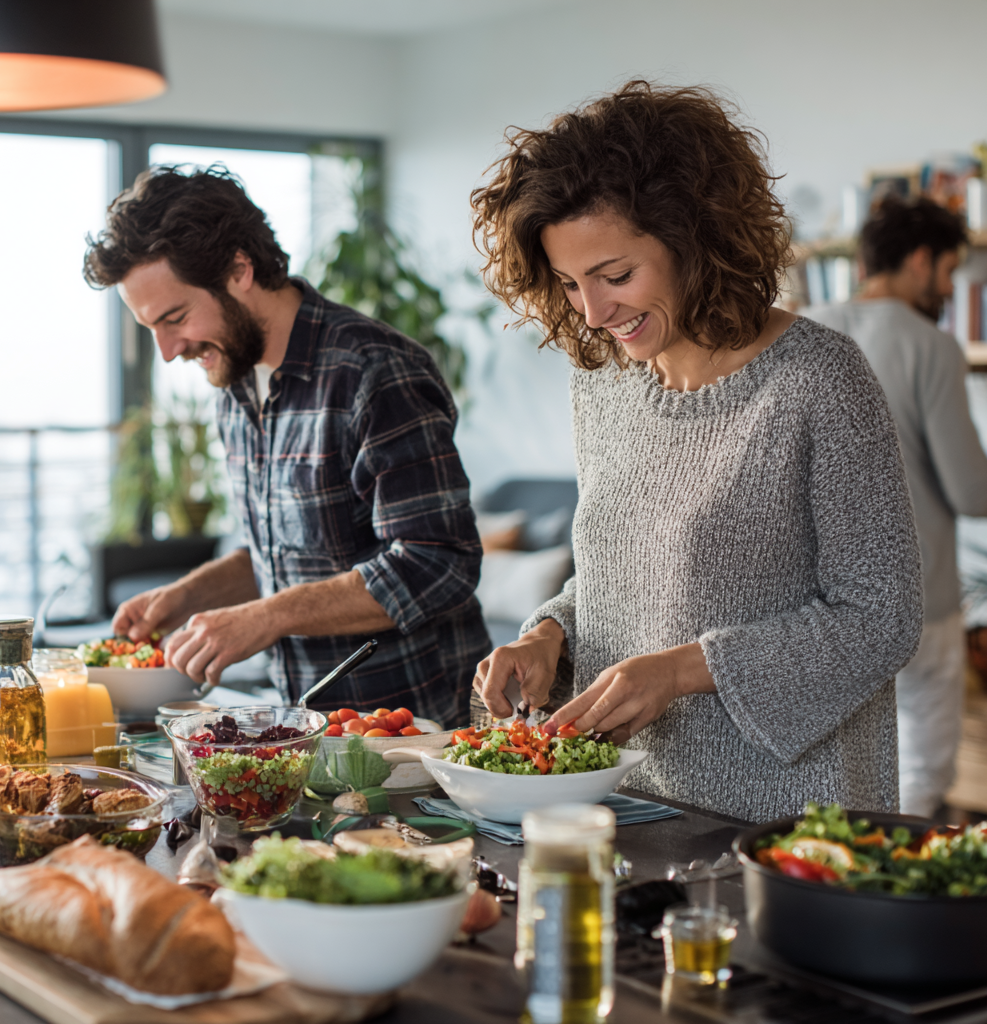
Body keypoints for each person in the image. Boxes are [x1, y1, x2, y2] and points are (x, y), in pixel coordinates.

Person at [469, 81, 923, 822]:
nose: (593, 312)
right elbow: (626, 578)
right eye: (570, 284)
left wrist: (686, 669)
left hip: (785, 824)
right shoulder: (605, 385)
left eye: (616, 276)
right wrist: (551, 632)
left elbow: (881, 616)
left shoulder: (819, 381)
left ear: (695, 237)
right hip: (625, 805)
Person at [83, 166, 490, 728]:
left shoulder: (375, 370)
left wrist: (267, 617)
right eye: (151, 327)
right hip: (308, 733)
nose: (169, 350)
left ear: (239, 270)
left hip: (418, 736)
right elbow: (286, 553)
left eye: (175, 318)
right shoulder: (235, 381)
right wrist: (186, 595)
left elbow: (437, 563)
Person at [805, 197, 987, 818]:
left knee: (839, 764)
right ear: (918, 260)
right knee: (920, 769)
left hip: (812, 601)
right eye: (947, 272)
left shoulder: (801, 329)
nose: (947, 289)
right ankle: (903, 894)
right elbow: (971, 491)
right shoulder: (930, 347)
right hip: (916, 596)